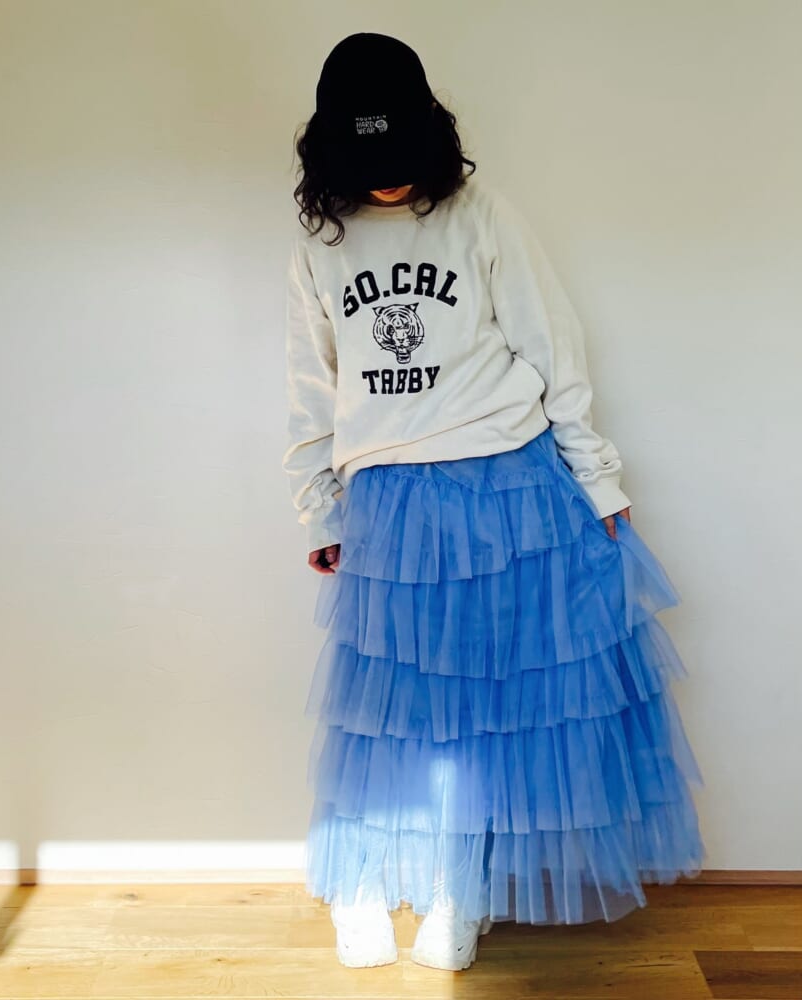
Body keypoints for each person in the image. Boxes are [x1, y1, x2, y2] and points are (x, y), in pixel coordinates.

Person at [281, 32, 706, 972]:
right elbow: (312, 382)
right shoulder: (320, 240)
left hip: (507, 484)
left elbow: (553, 348)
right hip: (389, 499)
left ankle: (454, 889)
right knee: (388, 709)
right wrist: (319, 504)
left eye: (402, 159)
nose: (390, 182)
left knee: (491, 710)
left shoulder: (481, 215)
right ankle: (364, 883)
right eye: (370, 164)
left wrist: (597, 476)